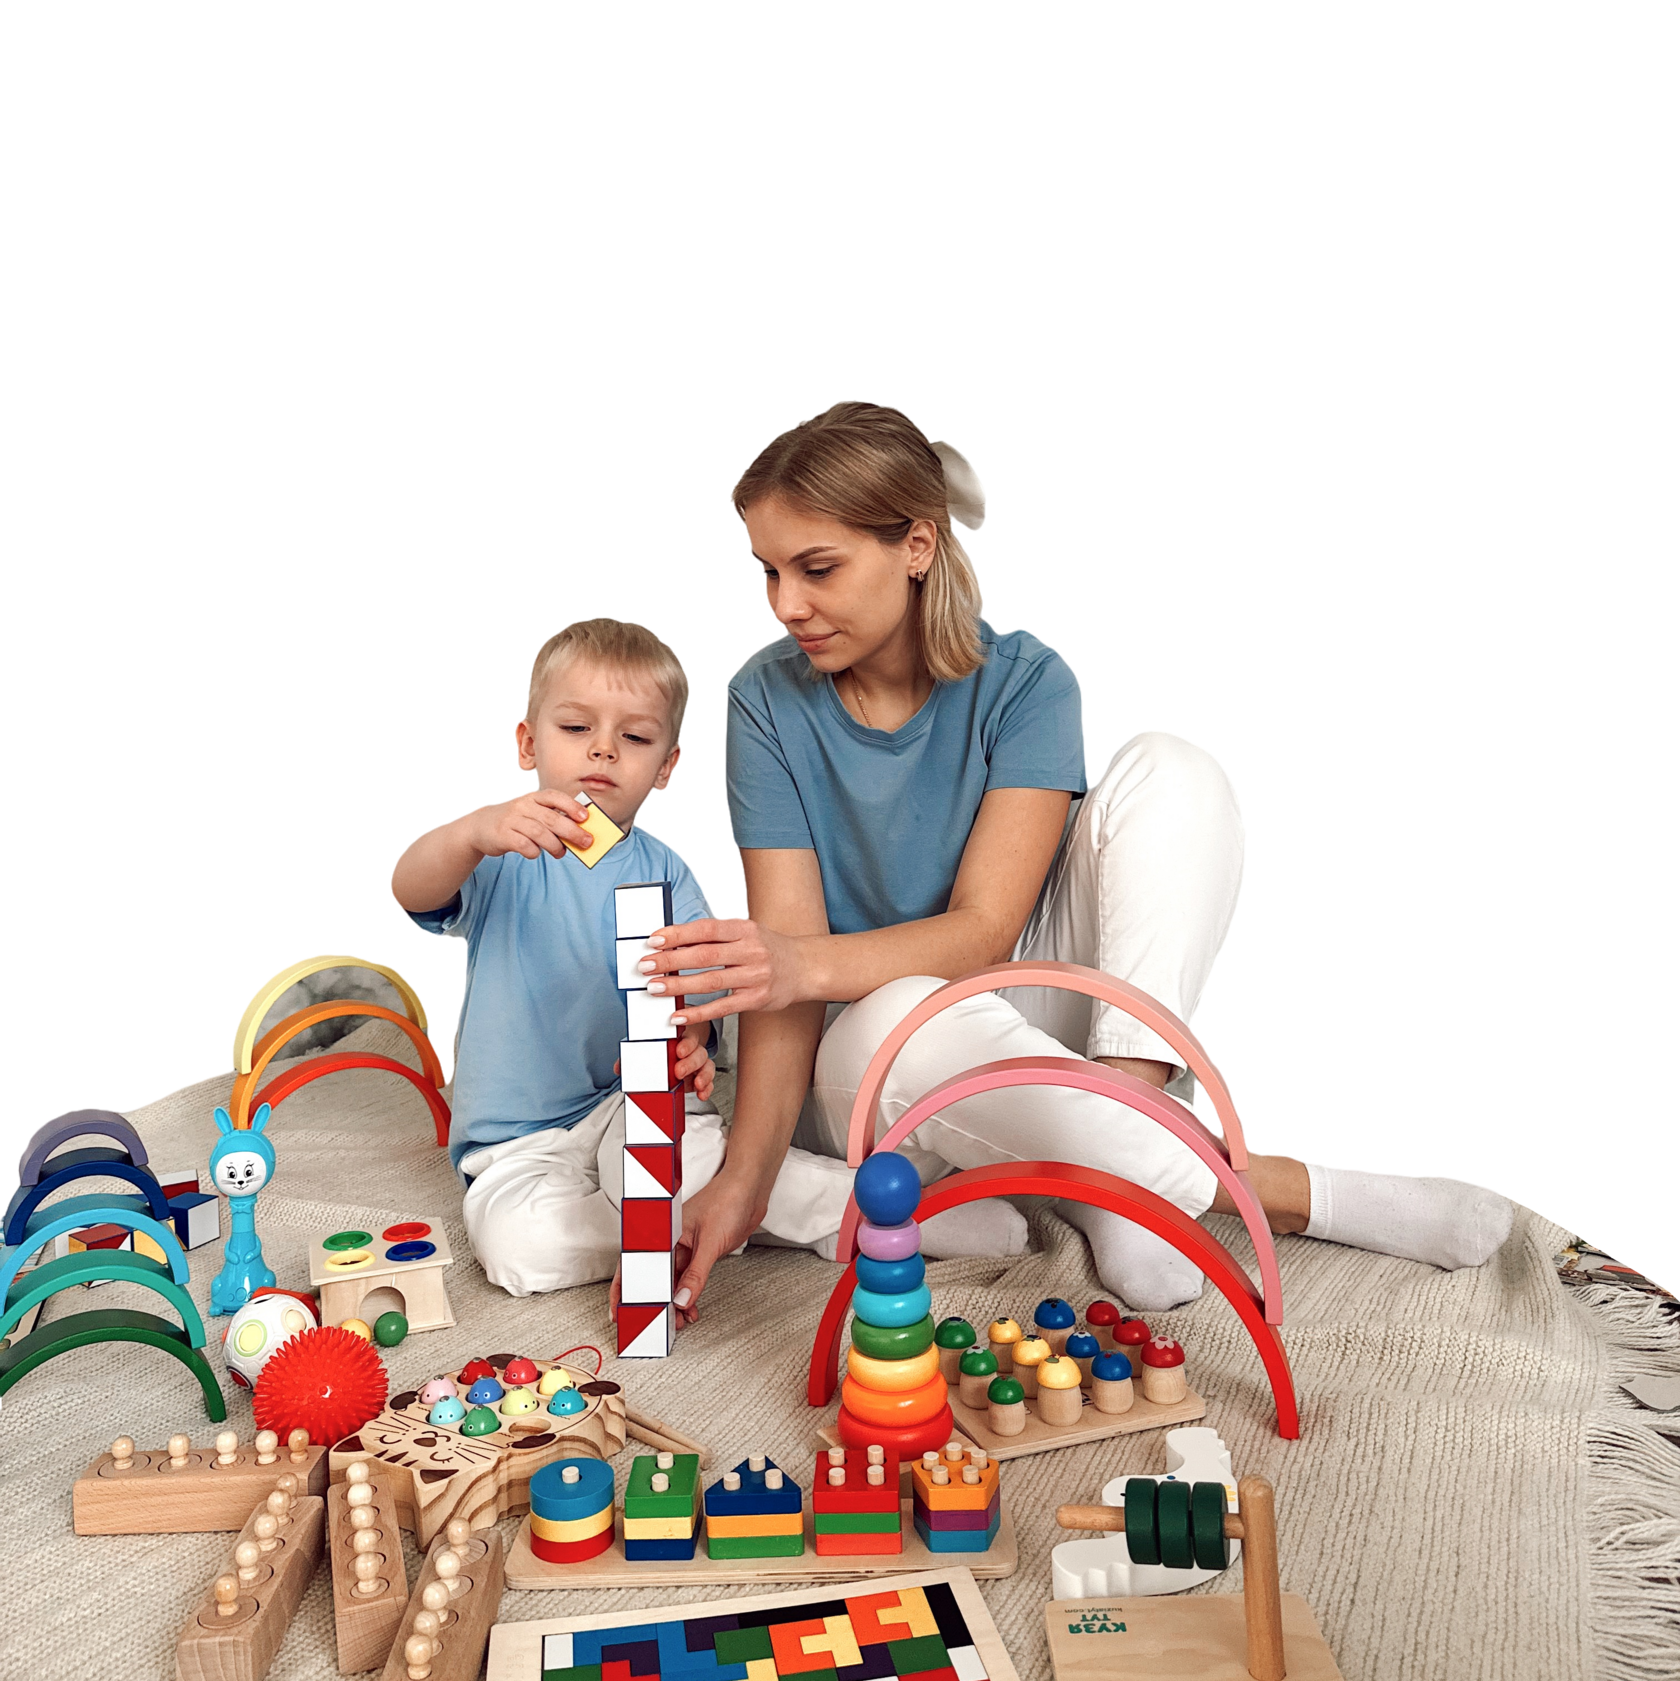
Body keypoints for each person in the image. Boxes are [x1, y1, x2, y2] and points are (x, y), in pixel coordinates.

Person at [616, 400, 1515, 1329]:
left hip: (1015, 1001)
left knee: (1174, 768)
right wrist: (746, 1177)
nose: (784, 605)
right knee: (909, 1010)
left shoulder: (1029, 679)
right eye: (768, 571)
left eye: (817, 568)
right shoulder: (764, 696)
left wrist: (797, 961)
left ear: (916, 545)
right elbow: (786, 985)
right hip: (876, 1065)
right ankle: (1295, 1193)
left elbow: (985, 931)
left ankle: (1113, 1161)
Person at [389, 617, 733, 1295]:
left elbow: (698, 992)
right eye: (577, 727)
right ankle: (683, 1226)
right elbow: (409, 890)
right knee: (515, 1248)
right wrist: (470, 832)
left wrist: (692, 1040)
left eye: (635, 738)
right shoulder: (502, 849)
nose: (603, 749)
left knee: (690, 1144)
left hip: (626, 1103)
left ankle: (687, 1211)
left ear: (667, 766)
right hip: (517, 1141)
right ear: (527, 743)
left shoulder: (669, 873)